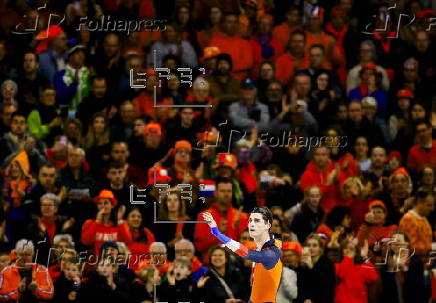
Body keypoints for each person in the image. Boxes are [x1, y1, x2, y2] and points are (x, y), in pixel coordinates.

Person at [203, 206, 283, 303]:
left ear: (267, 225)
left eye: (257, 221)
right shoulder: (260, 247)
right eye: (251, 220)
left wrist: (217, 233)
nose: (252, 224)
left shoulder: (271, 254)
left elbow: (243, 251)